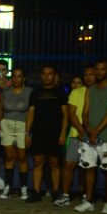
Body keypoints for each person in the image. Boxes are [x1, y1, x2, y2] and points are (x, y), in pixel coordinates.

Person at [75, 58, 107, 214]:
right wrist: (89, 129)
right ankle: (89, 200)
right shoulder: (90, 89)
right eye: (97, 69)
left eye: (103, 69)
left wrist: (97, 130)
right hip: (89, 135)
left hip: (105, 136)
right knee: (89, 168)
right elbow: (84, 112)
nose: (99, 72)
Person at [24, 65, 68, 202]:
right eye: (44, 73)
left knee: (54, 163)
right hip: (38, 133)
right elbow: (30, 113)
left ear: (54, 75)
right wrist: (27, 133)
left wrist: (62, 134)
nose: (47, 76)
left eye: (50, 73)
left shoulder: (61, 92)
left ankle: (55, 191)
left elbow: (65, 115)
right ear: (40, 75)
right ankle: (36, 192)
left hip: (54, 133)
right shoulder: (35, 93)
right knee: (38, 162)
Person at [57, 66, 96, 206]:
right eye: (86, 74)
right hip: (76, 135)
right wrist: (81, 130)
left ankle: (87, 196)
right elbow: (71, 114)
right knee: (69, 164)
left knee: (88, 167)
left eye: (91, 74)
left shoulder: (99, 92)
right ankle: (66, 194)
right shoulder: (76, 92)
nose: (88, 77)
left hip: (93, 136)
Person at [0, 67, 31, 198]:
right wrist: (2, 123)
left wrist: (28, 130)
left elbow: (31, 112)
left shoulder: (29, 92)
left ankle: (24, 187)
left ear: (24, 78)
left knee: (22, 157)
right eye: (14, 76)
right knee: (9, 157)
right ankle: (8, 187)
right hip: (7, 125)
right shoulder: (6, 92)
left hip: (22, 126)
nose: (16, 79)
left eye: (19, 76)